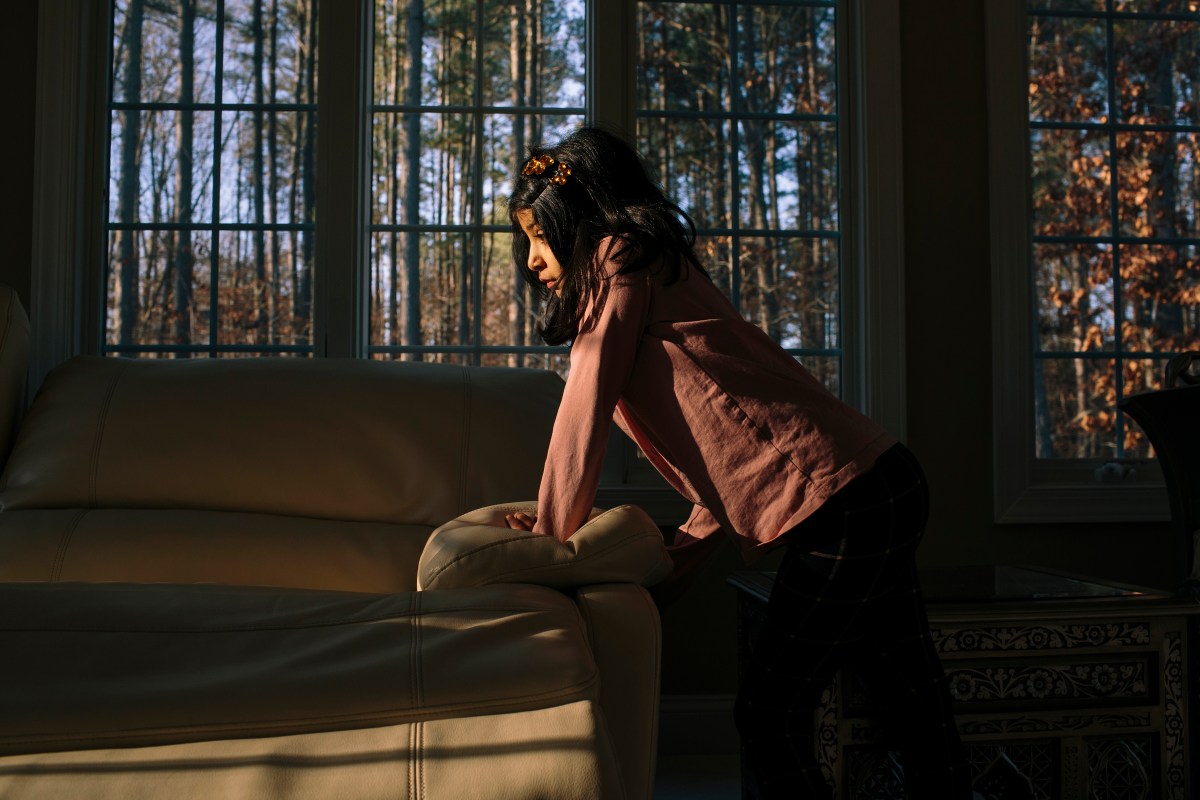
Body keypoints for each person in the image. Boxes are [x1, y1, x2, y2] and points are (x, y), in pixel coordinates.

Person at [502, 125, 972, 800]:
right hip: (879, 485)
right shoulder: (660, 275)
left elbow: (585, 404)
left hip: (848, 504)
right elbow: (734, 457)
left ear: (578, 227)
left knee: (770, 714)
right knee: (910, 704)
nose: (532, 260)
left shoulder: (621, 258)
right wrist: (676, 562)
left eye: (538, 236)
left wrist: (552, 537)